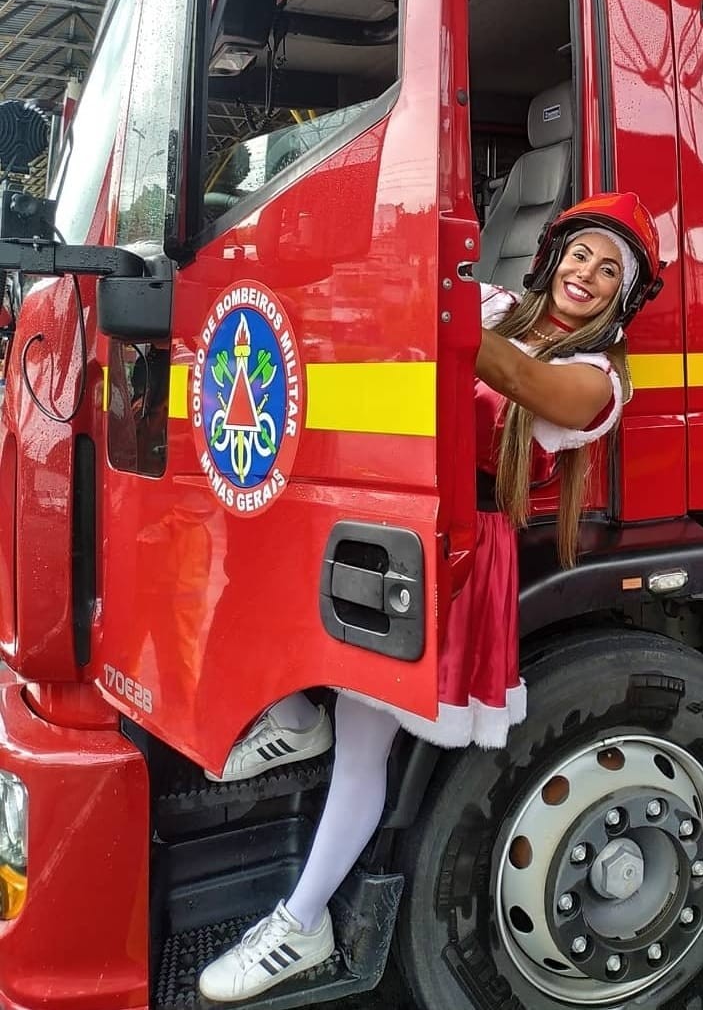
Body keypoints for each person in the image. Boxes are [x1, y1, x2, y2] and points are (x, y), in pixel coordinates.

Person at [198, 191, 664, 1002]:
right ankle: (296, 720)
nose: (586, 273)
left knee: (364, 740)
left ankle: (301, 924)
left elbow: (512, 373)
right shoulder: (493, 302)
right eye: (580, 253)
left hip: (448, 552)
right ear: (554, 258)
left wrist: (429, 294)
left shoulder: (597, 383)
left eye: (608, 268)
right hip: (388, 512)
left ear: (621, 298)